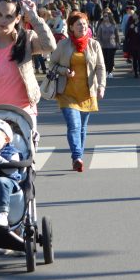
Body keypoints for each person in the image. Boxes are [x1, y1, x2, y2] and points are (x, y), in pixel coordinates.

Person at [49, 12, 106, 171]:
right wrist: (64, 71)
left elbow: (101, 67)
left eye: (85, 24)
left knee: (82, 127)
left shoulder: (94, 45)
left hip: (87, 93)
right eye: (79, 24)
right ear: (71, 27)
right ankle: (77, 157)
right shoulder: (63, 45)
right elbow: (51, 64)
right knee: (74, 125)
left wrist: (101, 86)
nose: (83, 27)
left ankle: (78, 155)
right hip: (67, 92)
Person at [94, 8, 120, 78]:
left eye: (106, 16)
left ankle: (110, 71)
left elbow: (117, 35)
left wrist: (118, 42)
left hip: (112, 45)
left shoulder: (113, 25)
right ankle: (105, 71)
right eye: (104, 16)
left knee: (110, 59)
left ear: (109, 17)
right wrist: (99, 43)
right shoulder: (101, 25)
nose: (105, 17)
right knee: (105, 59)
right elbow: (98, 35)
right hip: (103, 45)